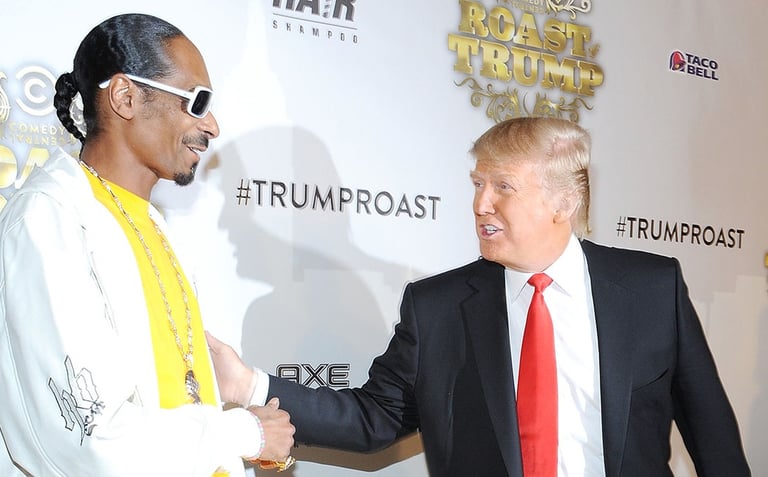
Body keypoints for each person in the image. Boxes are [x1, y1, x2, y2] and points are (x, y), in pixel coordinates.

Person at [209, 117, 751, 476]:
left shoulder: (652, 289)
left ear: (563, 202)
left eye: (503, 187)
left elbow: (714, 439)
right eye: (476, 184)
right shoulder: (437, 307)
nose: (481, 204)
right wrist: (248, 383)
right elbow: (373, 419)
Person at [0, 13, 294, 476]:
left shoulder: (149, 224)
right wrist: (244, 433)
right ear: (125, 97)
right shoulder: (47, 221)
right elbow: (89, 443)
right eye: (197, 102)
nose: (212, 125)